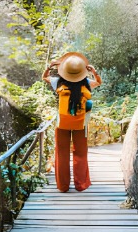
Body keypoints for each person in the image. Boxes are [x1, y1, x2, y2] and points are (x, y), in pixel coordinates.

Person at [41, 52, 102, 192]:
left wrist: (50, 67)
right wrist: (94, 72)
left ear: (64, 70)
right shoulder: (87, 83)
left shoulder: (58, 82)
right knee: (80, 153)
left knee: (61, 154)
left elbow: (45, 78)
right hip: (80, 124)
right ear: (82, 71)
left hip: (62, 123)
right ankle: (81, 185)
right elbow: (98, 82)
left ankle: (63, 186)